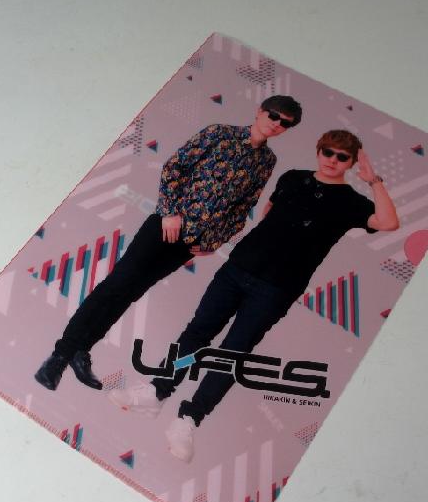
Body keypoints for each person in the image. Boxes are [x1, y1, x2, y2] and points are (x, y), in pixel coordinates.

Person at [108, 130, 400, 462]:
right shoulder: (292, 178)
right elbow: (268, 213)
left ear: (350, 162)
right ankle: (157, 391)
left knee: (232, 353)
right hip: (237, 270)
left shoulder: (350, 201)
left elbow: (388, 222)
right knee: (197, 334)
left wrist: (373, 181)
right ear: (319, 151)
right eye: (328, 152)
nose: (333, 160)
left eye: (342, 156)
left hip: (277, 288)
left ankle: (188, 419)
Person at [34, 95, 303, 391]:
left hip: (191, 242)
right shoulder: (220, 133)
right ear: (260, 111)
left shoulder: (267, 161)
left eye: (285, 123)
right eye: (274, 116)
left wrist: (215, 241)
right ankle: (59, 357)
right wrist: (170, 212)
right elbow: (175, 167)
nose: (276, 124)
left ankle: (82, 352)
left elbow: (244, 206)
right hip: (165, 226)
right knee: (117, 284)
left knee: (131, 292)